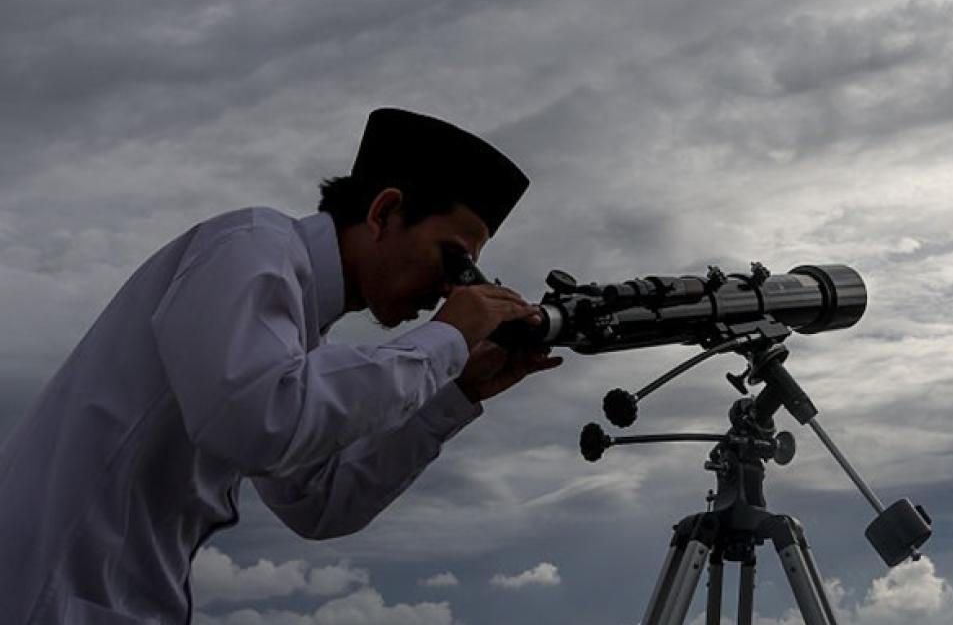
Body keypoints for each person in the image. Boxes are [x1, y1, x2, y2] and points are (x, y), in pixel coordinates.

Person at [0, 108, 561, 624]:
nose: (450, 287)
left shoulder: (297, 326)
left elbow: (317, 503)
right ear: (384, 211)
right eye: (454, 258)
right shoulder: (249, 246)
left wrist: (455, 392)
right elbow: (256, 421)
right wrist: (443, 342)